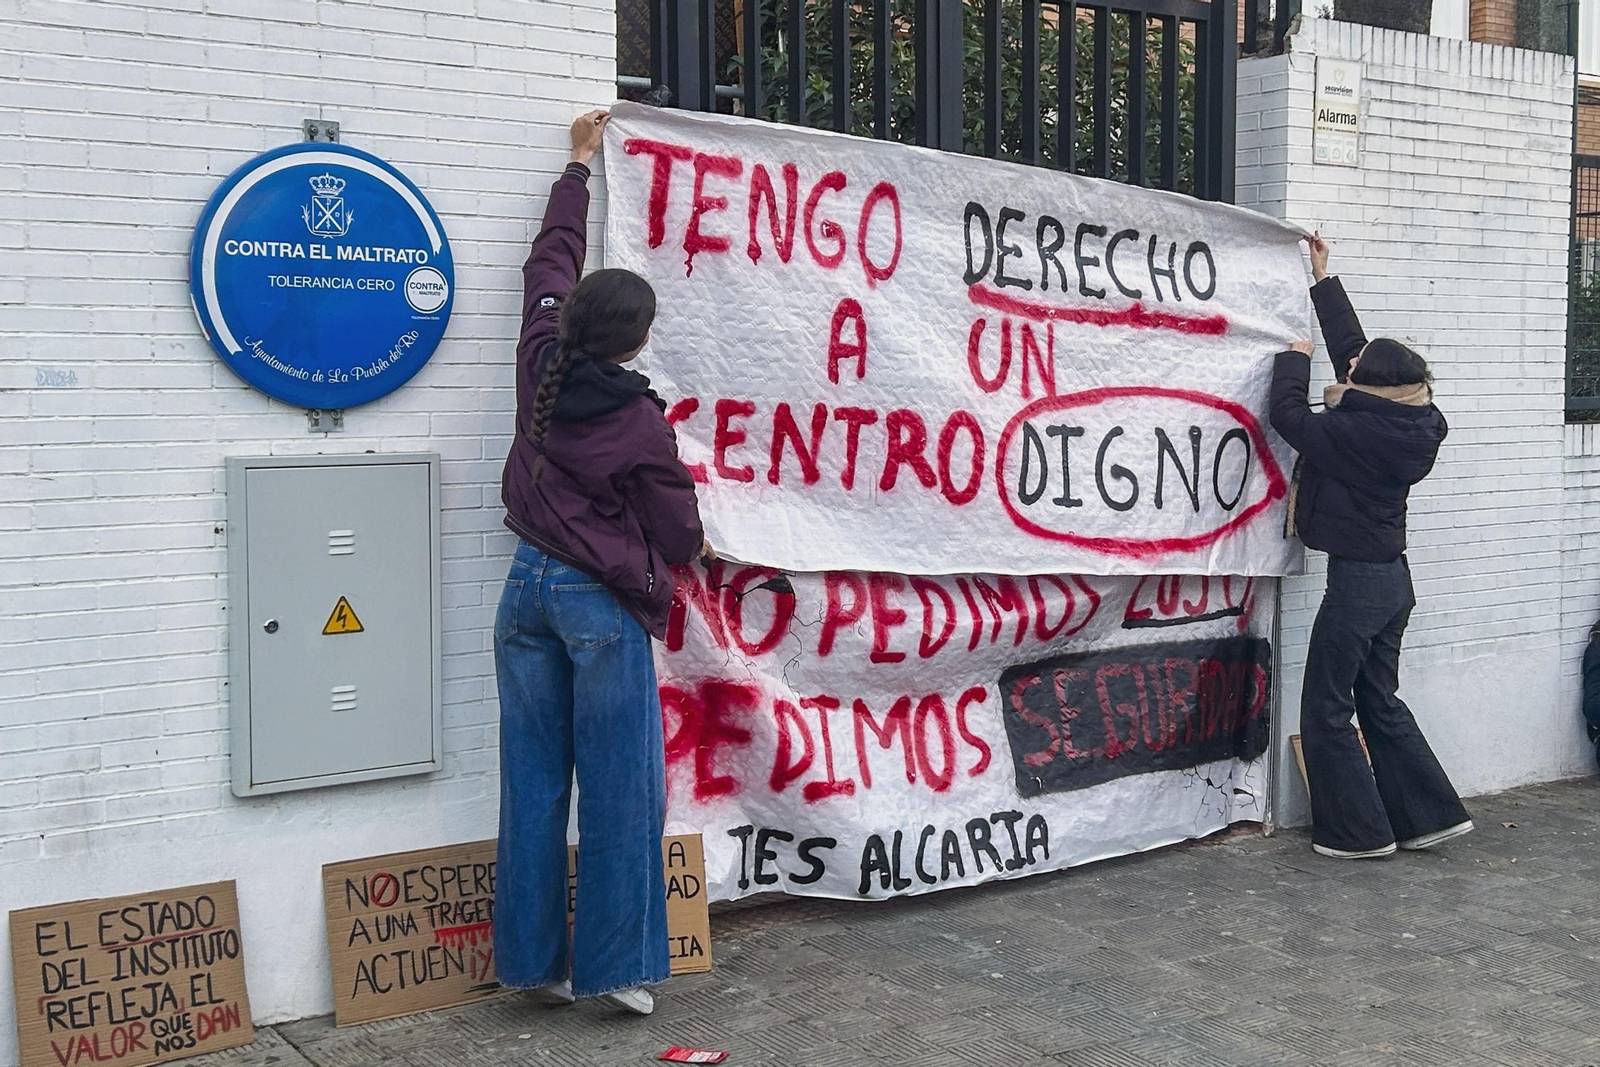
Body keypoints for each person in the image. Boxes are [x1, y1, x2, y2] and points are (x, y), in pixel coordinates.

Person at [494, 110, 706, 1013]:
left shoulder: (539, 355)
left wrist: (577, 168)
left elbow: (549, 265)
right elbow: (682, 535)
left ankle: (532, 965)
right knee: (620, 792)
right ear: (632, 341)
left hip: (523, 596)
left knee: (532, 786)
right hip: (595, 607)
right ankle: (616, 972)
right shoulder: (636, 419)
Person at [1270, 234, 1473, 860]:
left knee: (1326, 706)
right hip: (1393, 581)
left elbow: (1287, 416)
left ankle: (1357, 834)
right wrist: (1323, 280)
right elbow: (1360, 356)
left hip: (1360, 584)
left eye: (1354, 374)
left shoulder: (1350, 433)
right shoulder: (1413, 418)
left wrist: (1294, 358)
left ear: (1371, 388)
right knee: (1377, 698)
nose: (1348, 369)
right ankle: (1429, 818)